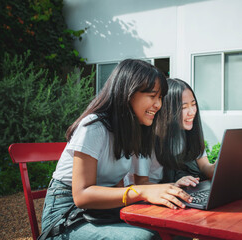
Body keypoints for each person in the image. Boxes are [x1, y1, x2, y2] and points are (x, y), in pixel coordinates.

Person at [41, 60, 192, 240]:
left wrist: (169, 190)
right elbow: (82, 195)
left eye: (160, 98)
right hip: (67, 218)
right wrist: (142, 192)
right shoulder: (94, 126)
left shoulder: (131, 131)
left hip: (101, 212)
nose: (158, 105)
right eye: (153, 96)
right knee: (143, 238)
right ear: (128, 94)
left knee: (179, 228)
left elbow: (119, 188)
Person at [126, 78, 216, 188]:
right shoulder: (147, 138)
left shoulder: (189, 132)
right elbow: (140, 183)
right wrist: (174, 185)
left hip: (171, 190)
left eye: (193, 104)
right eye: (184, 107)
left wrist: (218, 167)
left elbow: (204, 167)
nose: (192, 112)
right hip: (146, 196)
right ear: (167, 110)